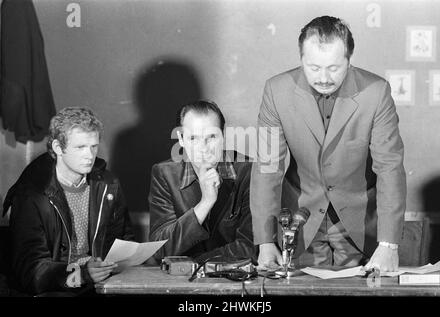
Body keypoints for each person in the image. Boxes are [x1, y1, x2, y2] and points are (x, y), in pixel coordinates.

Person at [250, 16, 406, 272]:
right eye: (313, 67)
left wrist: (389, 245)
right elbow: (267, 168)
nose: (323, 78)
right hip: (300, 220)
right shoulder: (276, 92)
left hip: (360, 220)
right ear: (301, 59)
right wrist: (265, 241)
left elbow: (390, 167)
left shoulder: (377, 93)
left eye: (334, 68)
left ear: (349, 59)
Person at [3, 107, 134, 296]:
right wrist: (81, 275)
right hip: (56, 289)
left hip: (102, 285)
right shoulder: (31, 193)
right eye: (80, 147)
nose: (89, 155)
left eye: (93, 146)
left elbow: (124, 242)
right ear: (58, 148)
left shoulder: (108, 184)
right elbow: (31, 272)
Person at [148, 100, 256, 263]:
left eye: (211, 137)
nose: (203, 148)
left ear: (223, 135)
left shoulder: (248, 171)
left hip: (234, 280)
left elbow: (250, 247)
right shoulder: (165, 174)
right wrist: (205, 203)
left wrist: (195, 264)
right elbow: (159, 249)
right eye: (193, 138)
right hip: (180, 283)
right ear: (181, 139)